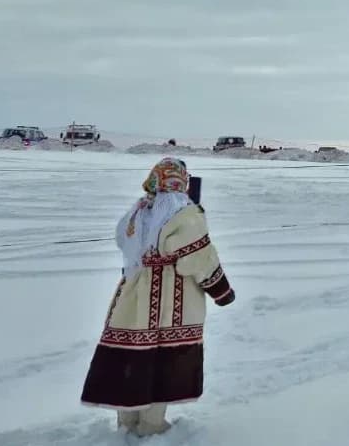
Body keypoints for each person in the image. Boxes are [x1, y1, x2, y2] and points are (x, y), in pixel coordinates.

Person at [81, 157, 236, 437]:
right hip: (169, 298)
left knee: (130, 356)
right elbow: (199, 259)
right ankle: (151, 424)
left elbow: (126, 247)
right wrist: (221, 291)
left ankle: (126, 423)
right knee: (165, 358)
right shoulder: (184, 213)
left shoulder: (137, 212)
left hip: (132, 294)